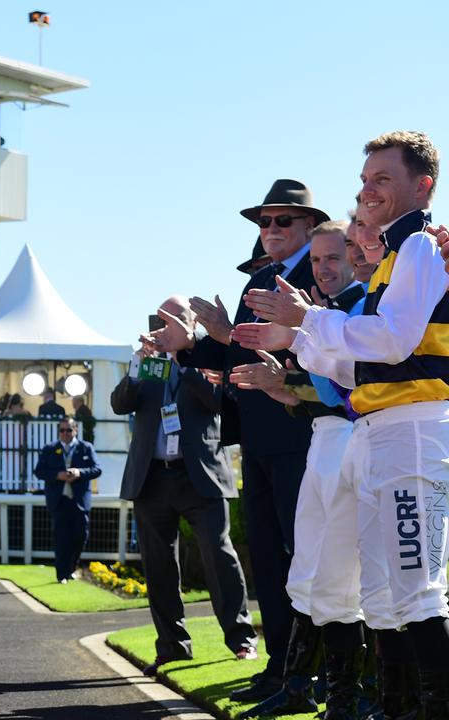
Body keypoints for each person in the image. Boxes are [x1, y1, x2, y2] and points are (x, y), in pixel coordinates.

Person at [236, 131, 449, 718]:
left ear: (422, 185)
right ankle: (391, 706)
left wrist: (308, 323)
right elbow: (362, 367)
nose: (368, 191)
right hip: (384, 430)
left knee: (416, 592)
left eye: (383, 179)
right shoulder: (399, 257)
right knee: (388, 594)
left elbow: (393, 339)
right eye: (365, 181)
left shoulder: (419, 249)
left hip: (412, 430)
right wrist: (301, 335)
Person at [150, 178, 328, 703]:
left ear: (309, 227)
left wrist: (225, 339)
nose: (270, 230)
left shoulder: (312, 282)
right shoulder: (269, 278)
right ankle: (281, 669)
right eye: (264, 222)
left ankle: (312, 676)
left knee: (307, 562)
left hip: (303, 435)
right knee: (271, 562)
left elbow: (308, 357)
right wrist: (192, 348)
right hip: (261, 441)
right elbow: (241, 359)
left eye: (282, 221)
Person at [113, 297, 256, 675]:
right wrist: (136, 368)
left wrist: (187, 361)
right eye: (160, 322)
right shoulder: (148, 364)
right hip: (152, 477)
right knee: (158, 565)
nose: (165, 329)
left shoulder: (207, 356)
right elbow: (120, 404)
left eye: (174, 321)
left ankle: (241, 639)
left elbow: (218, 401)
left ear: (191, 326)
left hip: (200, 476)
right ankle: (172, 646)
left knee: (219, 556)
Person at [33, 416, 101, 582]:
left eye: (68, 430)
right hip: (59, 499)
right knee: (61, 538)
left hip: (79, 500)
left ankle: (72, 567)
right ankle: (61, 574)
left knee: (80, 536)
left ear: (75, 429)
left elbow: (97, 469)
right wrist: (58, 475)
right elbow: (39, 471)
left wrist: (79, 473)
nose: (65, 433)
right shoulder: (50, 449)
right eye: (62, 430)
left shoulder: (86, 448)